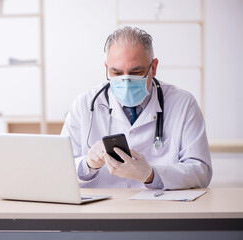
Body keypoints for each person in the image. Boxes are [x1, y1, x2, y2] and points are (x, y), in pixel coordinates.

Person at [61, 26, 212, 190]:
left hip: (159, 210)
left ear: (153, 68)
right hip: (102, 211)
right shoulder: (84, 105)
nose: (126, 82)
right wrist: (88, 164)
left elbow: (201, 171)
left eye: (136, 72)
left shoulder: (183, 104)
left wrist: (150, 175)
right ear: (106, 68)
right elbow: (59, 171)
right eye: (117, 73)